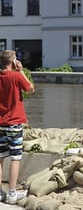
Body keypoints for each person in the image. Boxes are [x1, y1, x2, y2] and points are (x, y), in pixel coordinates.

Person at [0, 50, 34, 204]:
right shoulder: (16, 76)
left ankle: (0, 193)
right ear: (13, 61)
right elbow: (30, 89)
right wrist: (21, 71)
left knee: (0, 158)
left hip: (0, 124)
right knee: (15, 158)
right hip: (14, 124)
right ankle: (12, 193)